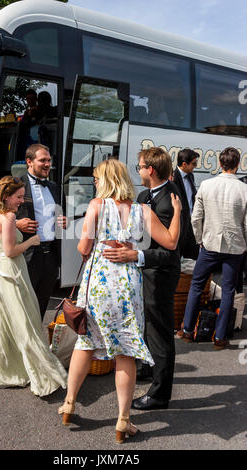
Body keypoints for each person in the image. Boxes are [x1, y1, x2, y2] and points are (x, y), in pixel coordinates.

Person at [57, 158, 181, 443]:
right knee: (126, 352)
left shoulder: (97, 206)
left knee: (86, 342)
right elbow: (172, 242)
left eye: (98, 178)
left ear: (107, 180)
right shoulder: (143, 209)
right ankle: (123, 420)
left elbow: (84, 247)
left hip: (99, 285)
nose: (95, 183)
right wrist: (176, 212)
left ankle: (70, 403)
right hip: (128, 288)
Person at [103, 147, 182, 411]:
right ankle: (150, 368)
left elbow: (170, 250)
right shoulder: (144, 195)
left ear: (151, 169)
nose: (137, 171)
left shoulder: (170, 199)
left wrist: (135, 255)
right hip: (144, 272)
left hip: (160, 274)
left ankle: (160, 395)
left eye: (139, 167)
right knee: (146, 326)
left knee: (160, 334)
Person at [0, 176, 67, 396]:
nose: (22, 201)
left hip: (1, 273)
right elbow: (10, 251)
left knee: (8, 325)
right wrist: (31, 242)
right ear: (6, 196)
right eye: (19, 197)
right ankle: (43, 376)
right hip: (11, 273)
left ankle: (10, 372)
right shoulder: (10, 216)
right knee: (27, 325)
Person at [178, 147, 247, 349]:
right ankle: (220, 337)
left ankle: (188, 330)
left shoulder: (206, 185)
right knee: (228, 291)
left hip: (209, 245)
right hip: (234, 248)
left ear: (219, 164)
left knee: (196, 286)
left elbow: (196, 218)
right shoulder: (244, 189)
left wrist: (200, 239)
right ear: (237, 165)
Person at [15, 143, 67, 321]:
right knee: (22, 305)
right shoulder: (15, 184)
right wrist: (16, 223)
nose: (47, 164)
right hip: (28, 256)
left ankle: (36, 344)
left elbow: (61, 216)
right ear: (29, 161)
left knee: (42, 305)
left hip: (51, 255)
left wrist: (63, 221)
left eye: (49, 160)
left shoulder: (54, 187)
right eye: (43, 160)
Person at [173, 148, 199, 259]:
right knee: (178, 253)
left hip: (191, 221)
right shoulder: (173, 178)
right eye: (194, 163)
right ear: (184, 164)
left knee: (192, 255)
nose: (195, 166)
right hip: (180, 222)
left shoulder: (190, 176)